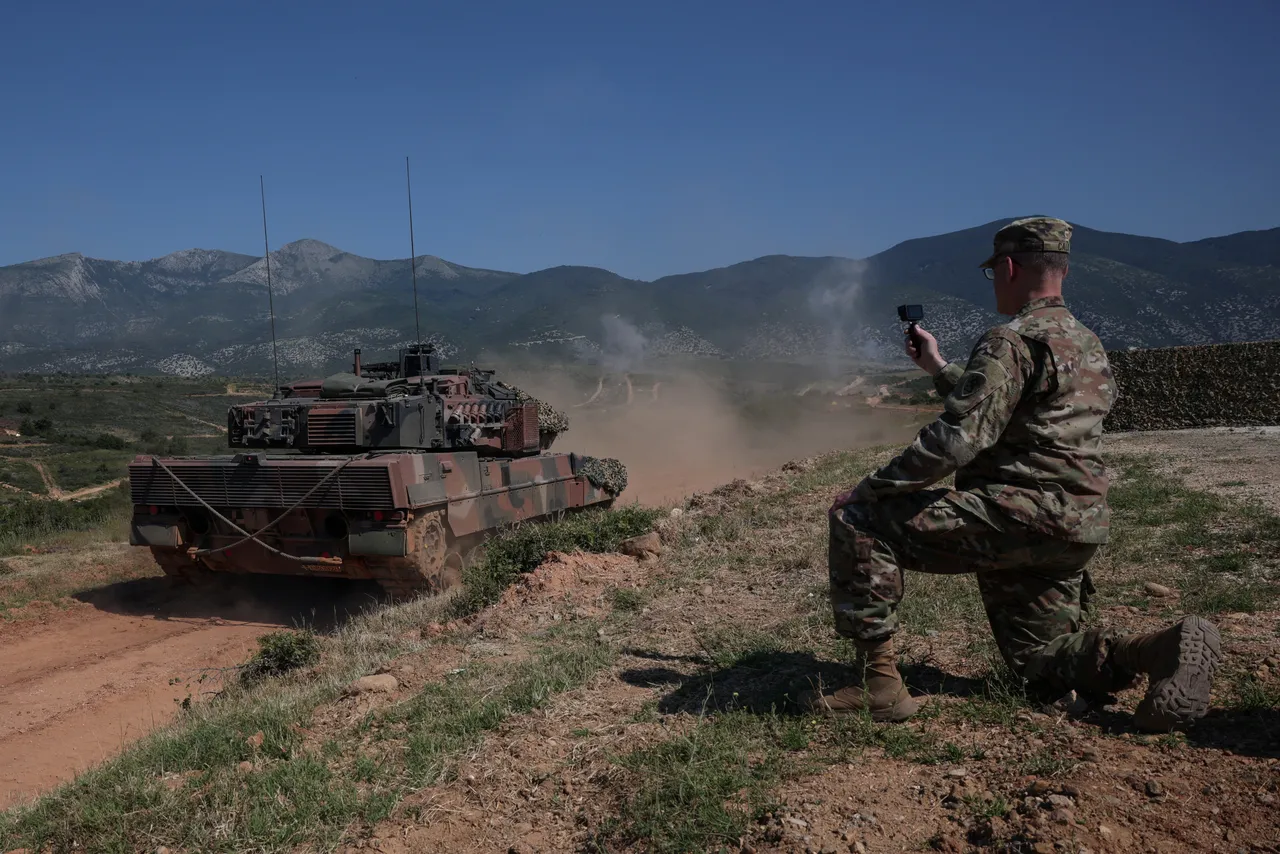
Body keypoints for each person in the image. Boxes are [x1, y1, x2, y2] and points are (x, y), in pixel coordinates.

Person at [801, 216, 1221, 732]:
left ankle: (878, 685)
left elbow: (955, 440)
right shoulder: (1086, 343)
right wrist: (940, 369)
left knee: (857, 520)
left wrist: (871, 489)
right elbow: (1023, 413)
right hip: (1076, 525)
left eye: (993, 272)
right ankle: (1155, 650)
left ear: (1008, 266)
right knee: (1039, 663)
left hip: (1017, 515)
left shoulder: (1011, 339)